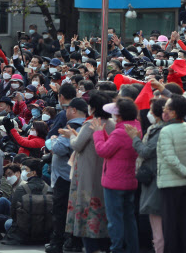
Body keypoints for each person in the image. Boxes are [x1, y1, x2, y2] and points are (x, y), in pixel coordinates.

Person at [65, 91, 115, 253]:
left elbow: (77, 145)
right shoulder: (112, 124)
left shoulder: (91, 124)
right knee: (103, 210)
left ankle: (91, 248)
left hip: (88, 173)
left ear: (92, 108)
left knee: (87, 210)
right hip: (106, 172)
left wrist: (71, 136)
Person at [93, 98, 142, 253]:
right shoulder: (135, 127)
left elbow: (103, 151)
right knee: (129, 218)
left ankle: (117, 249)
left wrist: (98, 134)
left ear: (119, 116)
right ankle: (132, 248)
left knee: (115, 220)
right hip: (130, 180)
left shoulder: (120, 132)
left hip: (114, 182)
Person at [156, 95, 186, 253]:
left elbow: (170, 158)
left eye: (166, 109)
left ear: (174, 113)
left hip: (170, 185)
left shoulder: (166, 131)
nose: (164, 111)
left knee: (171, 227)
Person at [45, 98, 88, 253]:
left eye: (67, 109)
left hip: (65, 176)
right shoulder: (86, 126)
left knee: (61, 210)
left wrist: (53, 140)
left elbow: (60, 149)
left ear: (73, 110)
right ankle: (73, 241)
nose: (66, 112)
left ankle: (59, 242)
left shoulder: (73, 127)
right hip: (78, 176)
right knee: (76, 210)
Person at [128, 98, 167, 253]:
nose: (147, 113)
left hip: (157, 179)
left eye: (150, 110)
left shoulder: (160, 131)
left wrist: (135, 139)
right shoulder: (155, 129)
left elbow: (146, 151)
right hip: (155, 178)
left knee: (158, 229)